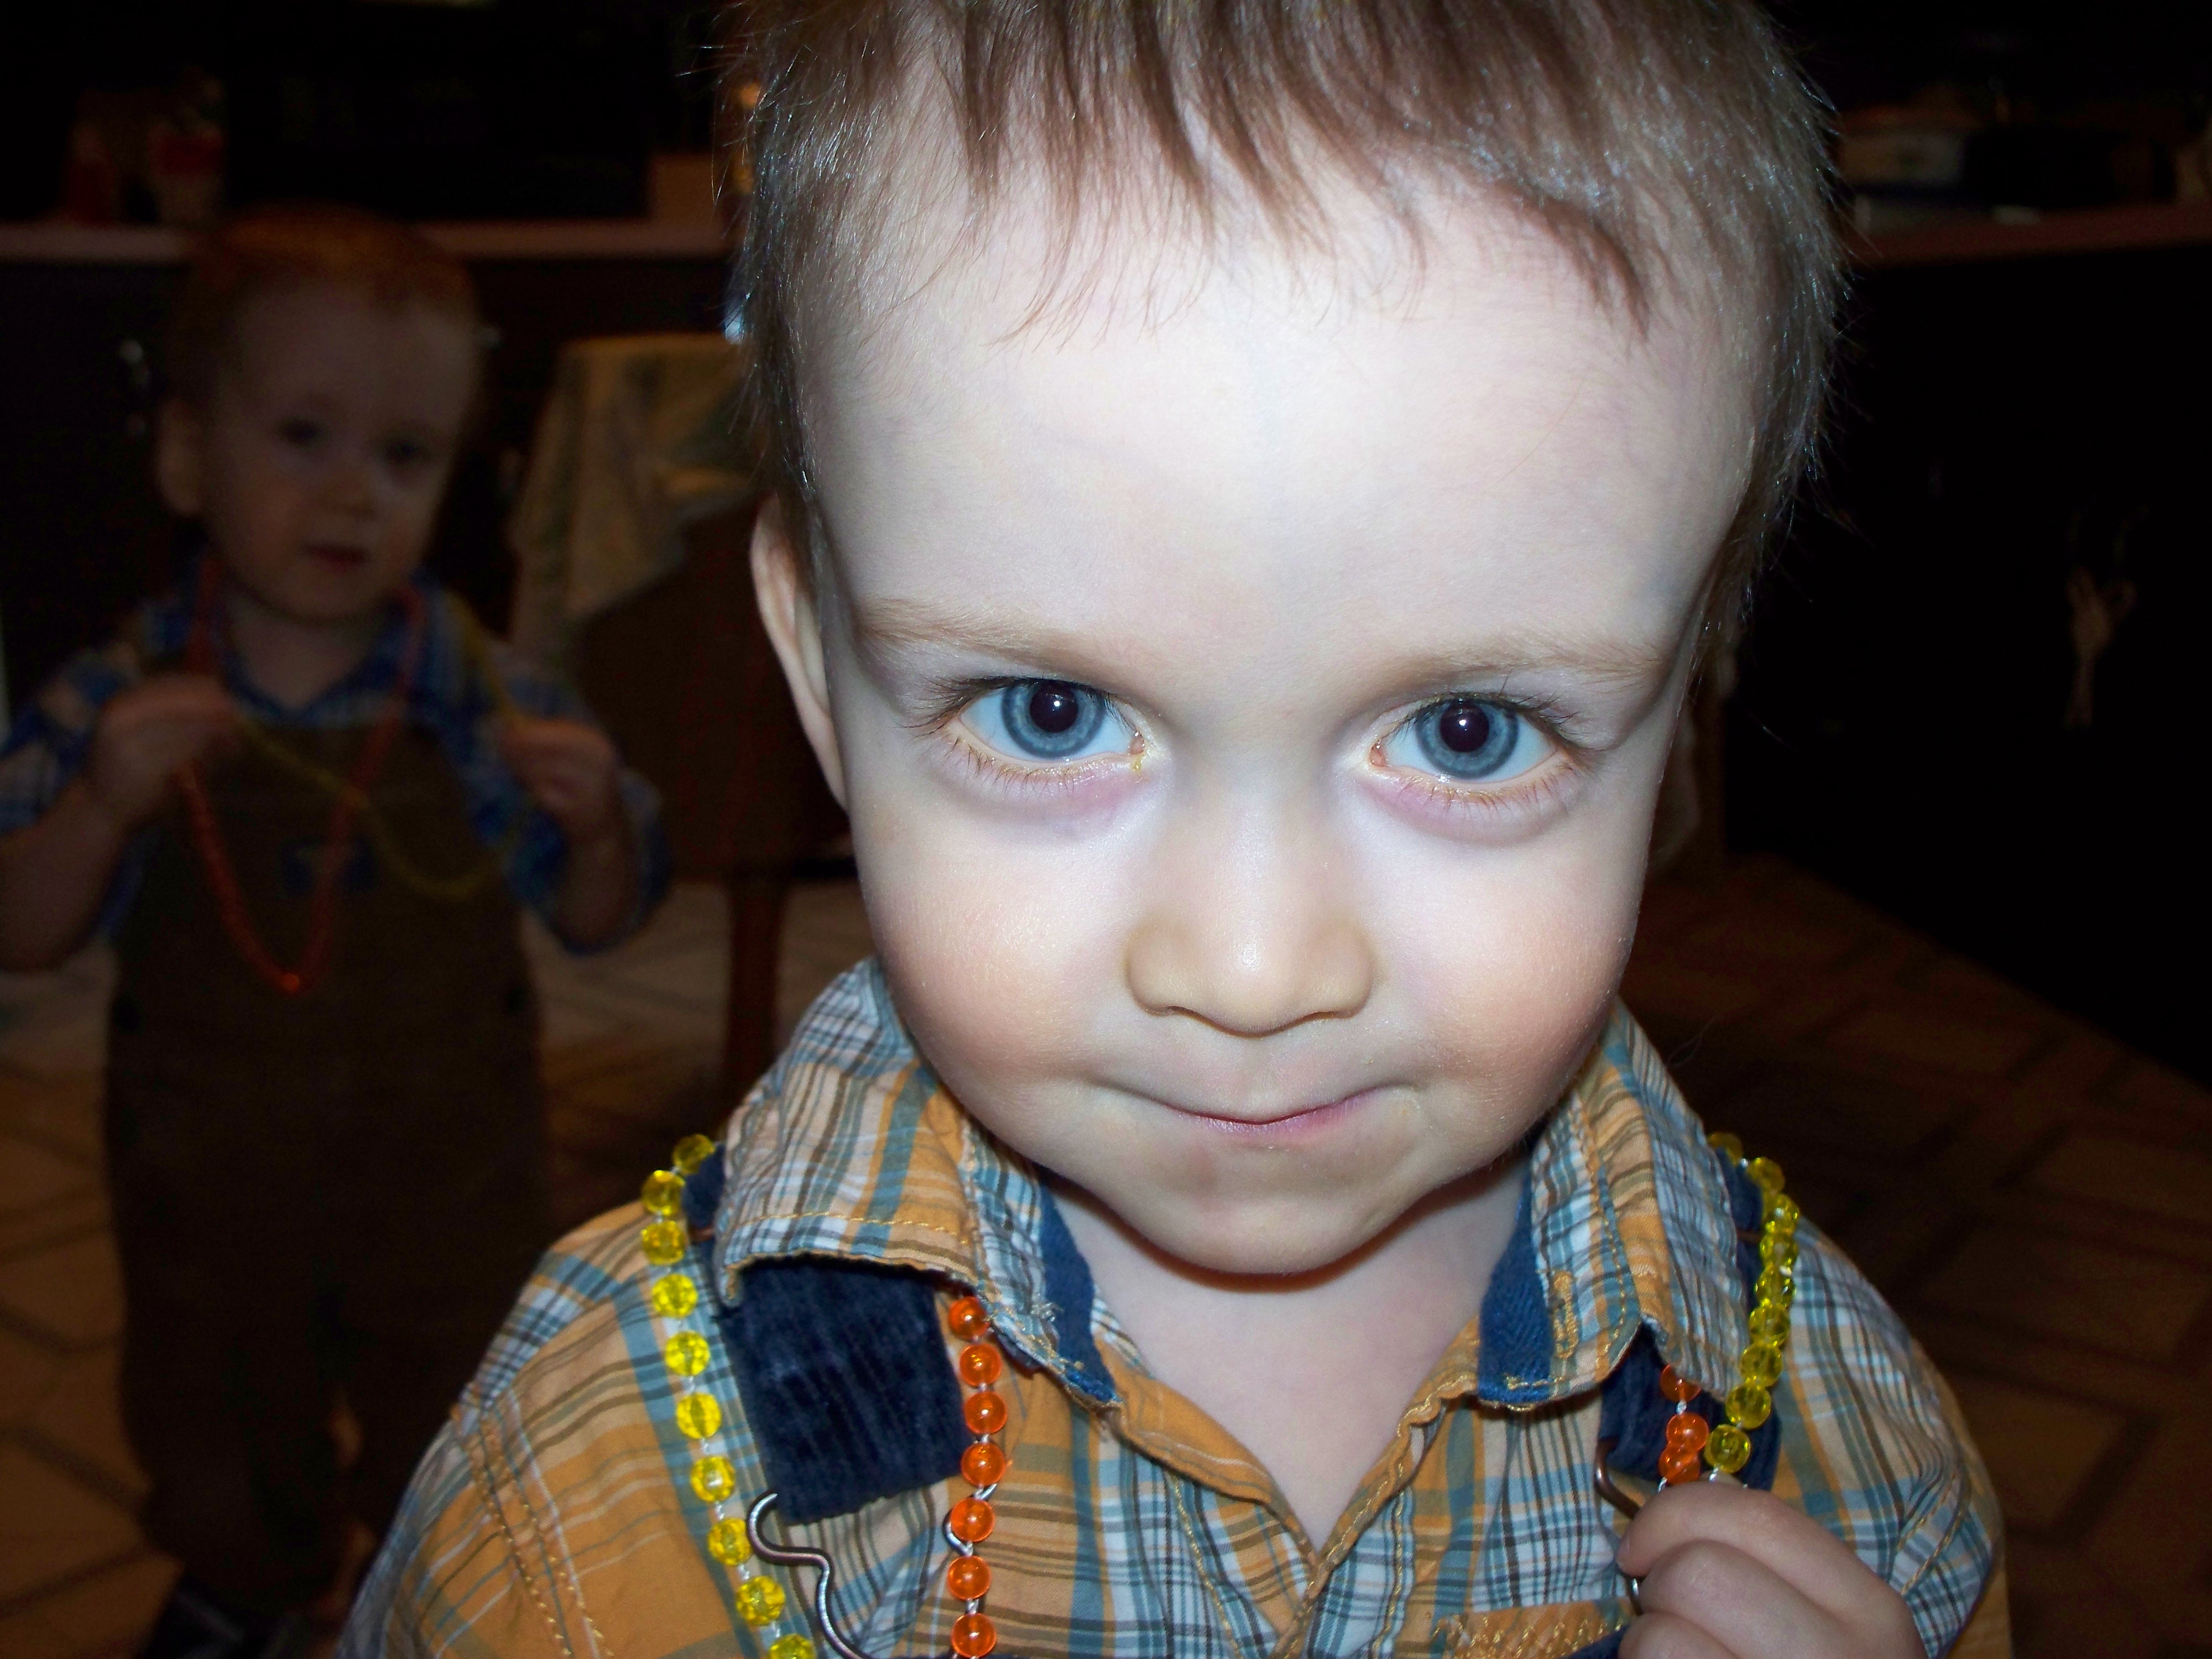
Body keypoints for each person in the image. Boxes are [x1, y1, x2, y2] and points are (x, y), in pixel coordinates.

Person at [342, 0, 2010, 1653]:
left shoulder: (1848, 1457)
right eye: (1049, 712)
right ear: (815, 668)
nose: (1254, 967)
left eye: (1469, 729)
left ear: (1685, 689)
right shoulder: (584, 1510)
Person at [0, 207, 670, 1659]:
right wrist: (100, 805)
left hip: (450, 1173)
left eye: (406, 455)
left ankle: (426, 1583)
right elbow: (24, 934)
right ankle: (247, 1583)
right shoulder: (121, 695)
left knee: (462, 1390)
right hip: (209, 1176)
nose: (354, 493)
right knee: (212, 1402)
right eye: (304, 435)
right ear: (189, 458)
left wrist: (600, 833)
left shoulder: (482, 695)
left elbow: (598, 924)